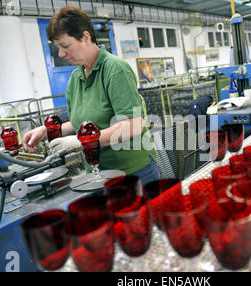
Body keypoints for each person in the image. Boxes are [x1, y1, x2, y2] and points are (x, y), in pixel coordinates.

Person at [22, 5, 160, 186]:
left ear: (86, 37)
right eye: (58, 48)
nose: (61, 54)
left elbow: (132, 125)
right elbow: (80, 123)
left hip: (132, 172)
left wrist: (81, 142)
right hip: (98, 174)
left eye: (65, 46)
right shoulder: (75, 78)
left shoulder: (114, 69)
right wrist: (45, 131)